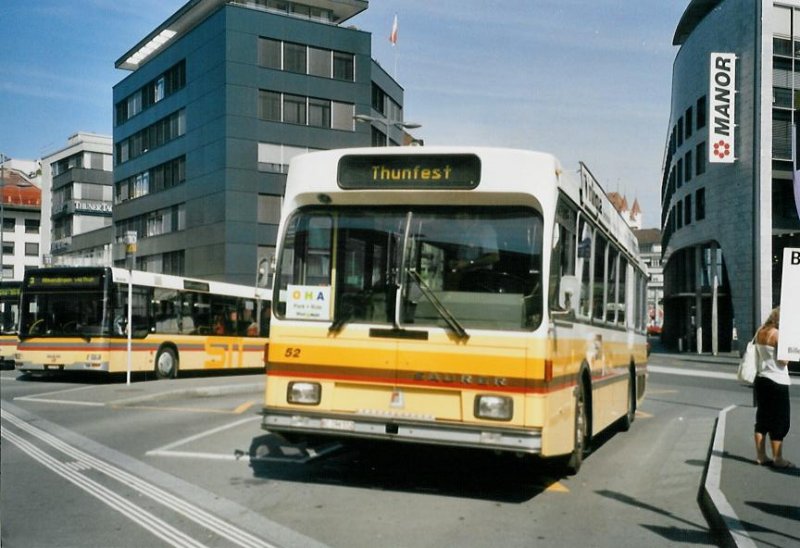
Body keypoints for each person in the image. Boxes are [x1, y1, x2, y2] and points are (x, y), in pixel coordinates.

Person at [753, 307, 793, 468]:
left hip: (762, 379)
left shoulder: (760, 332)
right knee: (780, 420)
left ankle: (761, 456)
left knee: (762, 418)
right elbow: (784, 361)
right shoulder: (777, 335)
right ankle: (778, 458)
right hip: (778, 381)